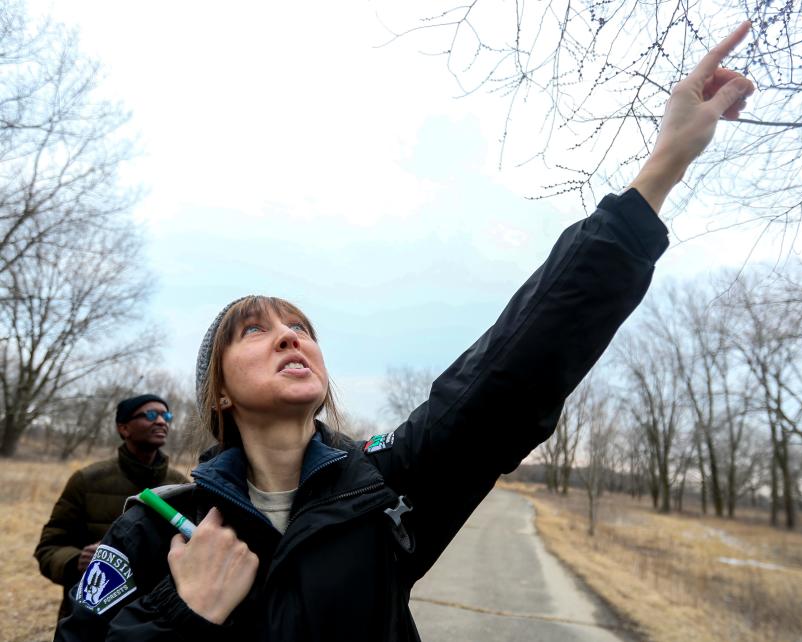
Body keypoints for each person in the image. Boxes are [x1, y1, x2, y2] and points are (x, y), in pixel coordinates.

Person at [55, 21, 756, 642]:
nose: (290, 336)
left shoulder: (385, 488)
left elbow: (513, 367)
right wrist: (186, 614)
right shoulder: (154, 528)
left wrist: (662, 169)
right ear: (221, 395)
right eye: (255, 331)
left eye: (301, 326)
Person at [35, 394, 190, 622]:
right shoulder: (87, 480)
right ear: (124, 428)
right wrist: (75, 561)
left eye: (166, 415)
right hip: (92, 617)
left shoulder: (179, 487)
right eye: (150, 415)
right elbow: (49, 547)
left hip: (156, 619)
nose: (161, 421)